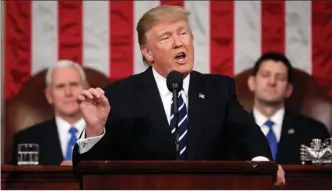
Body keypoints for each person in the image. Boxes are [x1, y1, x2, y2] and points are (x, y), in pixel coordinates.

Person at [73, 5, 285, 186]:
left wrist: (263, 166)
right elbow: (90, 173)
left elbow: (247, 134)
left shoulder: (218, 89)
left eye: (183, 33)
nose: (178, 43)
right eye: (166, 37)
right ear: (148, 53)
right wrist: (94, 129)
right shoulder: (121, 95)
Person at [247, 52, 331, 164]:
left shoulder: (315, 133)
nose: (272, 82)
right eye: (265, 75)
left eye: (280, 78)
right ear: (252, 83)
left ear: (288, 89)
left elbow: (323, 179)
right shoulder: (228, 132)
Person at [10, 60, 87, 165]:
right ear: (49, 95)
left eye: (73, 84)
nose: (68, 93)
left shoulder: (108, 137)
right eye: (60, 86)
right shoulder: (26, 139)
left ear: (86, 89)